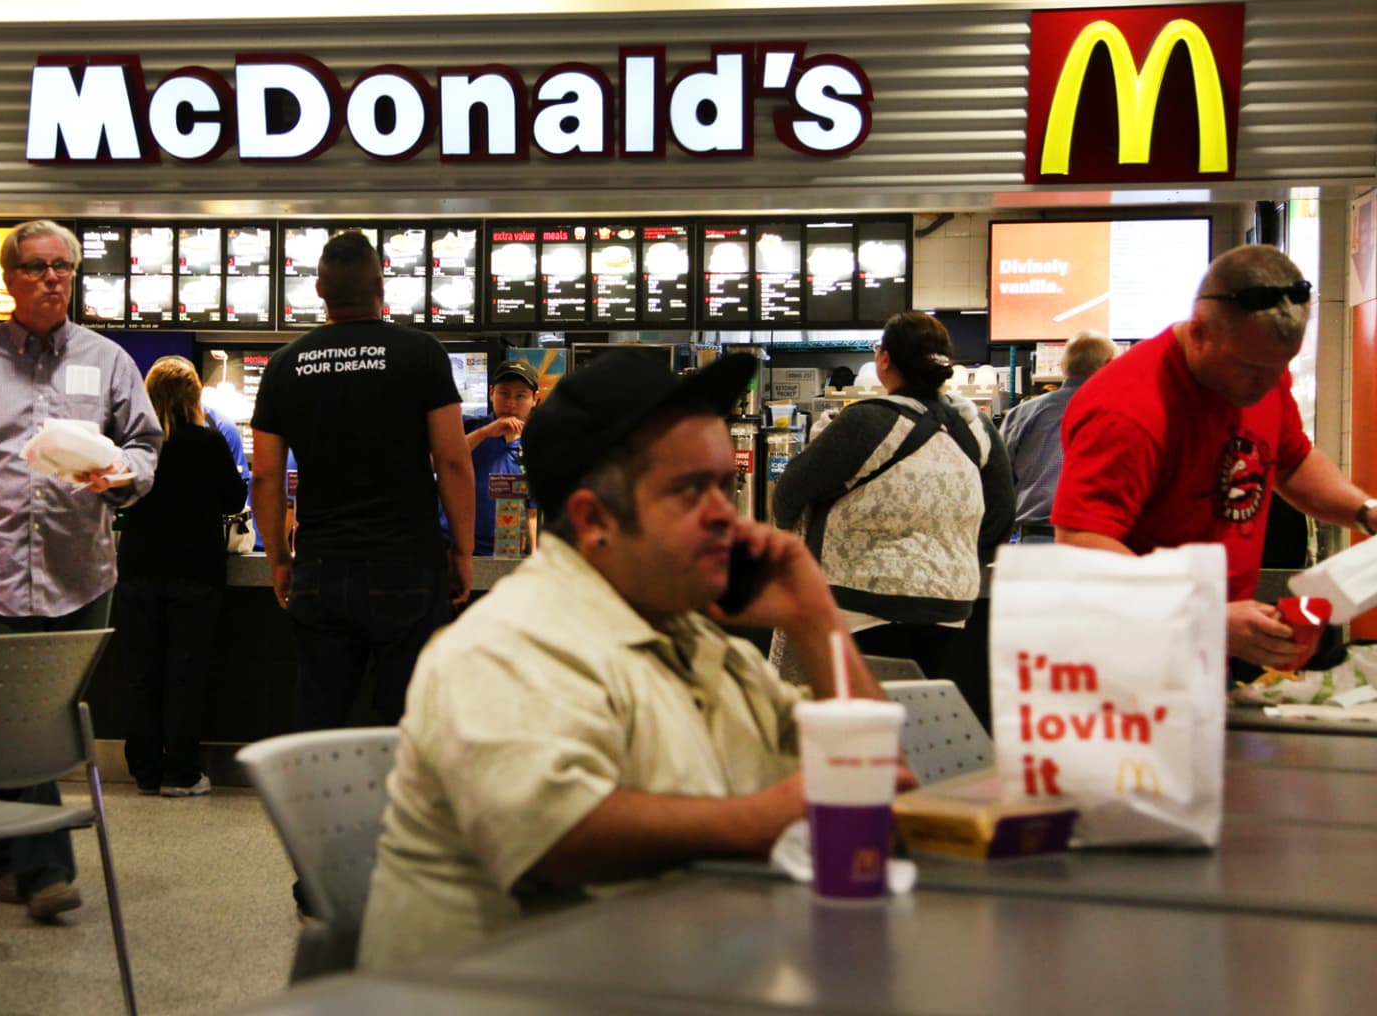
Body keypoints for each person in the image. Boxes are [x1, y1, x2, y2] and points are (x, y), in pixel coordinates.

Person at [355, 351, 890, 970]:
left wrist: (814, 617)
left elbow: (875, 779)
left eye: (724, 487)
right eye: (691, 491)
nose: (726, 515)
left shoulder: (696, 641)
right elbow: (561, 832)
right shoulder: (506, 645)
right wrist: (772, 815)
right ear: (594, 520)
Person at [0, 218, 162, 921]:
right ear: (9, 279)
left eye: (63, 267)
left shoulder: (108, 359)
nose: (52, 278)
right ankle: (47, 869)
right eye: (37, 267)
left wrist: (125, 474)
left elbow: (145, 445)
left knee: (34, 713)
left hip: (80, 572)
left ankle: (0, 860)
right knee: (19, 712)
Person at [1054, 244, 1377, 673]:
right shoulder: (1126, 408)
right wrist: (1204, 617)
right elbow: (1081, 545)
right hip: (1123, 658)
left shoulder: (1262, 373)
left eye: (1281, 366)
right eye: (1251, 368)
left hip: (1205, 650)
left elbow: (1292, 461)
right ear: (1199, 332)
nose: (1268, 383)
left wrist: (1365, 512)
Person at [249, 230, 475, 730]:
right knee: (410, 724)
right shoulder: (421, 353)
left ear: (318, 291)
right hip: (408, 565)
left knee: (319, 722)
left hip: (321, 567)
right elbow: (453, 462)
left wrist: (279, 560)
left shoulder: (285, 365)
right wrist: (461, 550)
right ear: (381, 286)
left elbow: (265, 476)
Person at [768, 311, 1014, 687]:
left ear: (884, 360)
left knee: (862, 710)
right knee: (916, 705)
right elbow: (1001, 514)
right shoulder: (974, 427)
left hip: (862, 601)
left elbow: (789, 492)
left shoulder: (866, 421)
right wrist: (952, 561)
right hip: (948, 606)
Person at [117, 356, 250, 797]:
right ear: (195, 397)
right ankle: (181, 772)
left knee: (141, 672)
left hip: (138, 568)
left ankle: (144, 771)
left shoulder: (135, 445)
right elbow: (234, 499)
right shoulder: (209, 441)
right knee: (185, 672)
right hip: (195, 570)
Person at [1000, 331, 1116, 543]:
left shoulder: (1023, 414)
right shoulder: (1123, 414)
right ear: (1110, 365)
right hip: (1101, 540)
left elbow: (999, 477)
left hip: (1035, 540)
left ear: (1063, 367)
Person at [458, 358, 538, 556]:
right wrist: (484, 433)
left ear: (534, 399)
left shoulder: (539, 446)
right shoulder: (467, 428)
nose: (511, 403)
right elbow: (437, 461)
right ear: (491, 392)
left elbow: (533, 512)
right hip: (457, 548)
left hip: (509, 552)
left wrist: (534, 556)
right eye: (504, 393)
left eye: (521, 396)